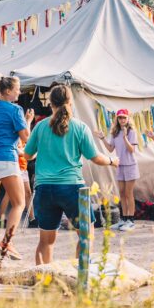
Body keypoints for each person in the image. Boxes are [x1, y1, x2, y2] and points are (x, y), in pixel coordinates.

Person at [24, 85, 119, 264]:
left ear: (50, 103)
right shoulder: (79, 127)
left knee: (46, 242)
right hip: (72, 188)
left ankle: (45, 283)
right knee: (86, 235)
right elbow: (95, 158)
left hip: (45, 189)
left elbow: (27, 155)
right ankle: (79, 278)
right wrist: (112, 161)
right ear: (70, 102)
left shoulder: (40, 127)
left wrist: (40, 150)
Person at [0, 75, 34, 260]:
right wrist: (29, 123)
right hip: (6, 158)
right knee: (19, 203)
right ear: (9, 91)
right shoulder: (15, 109)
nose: (20, 92)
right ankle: (7, 242)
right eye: (18, 89)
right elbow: (26, 137)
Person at [94, 110, 139, 232]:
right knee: (122, 193)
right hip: (119, 165)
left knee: (129, 193)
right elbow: (110, 149)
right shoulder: (115, 132)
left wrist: (125, 137)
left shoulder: (131, 132)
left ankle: (131, 220)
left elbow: (131, 150)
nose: (122, 120)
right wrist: (102, 138)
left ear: (128, 118)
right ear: (117, 119)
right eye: (120, 118)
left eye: (124, 118)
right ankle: (123, 219)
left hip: (130, 165)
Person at [0, 140, 35, 229]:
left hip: (22, 168)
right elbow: (17, 151)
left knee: (28, 193)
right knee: (9, 194)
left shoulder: (23, 137)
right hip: (16, 168)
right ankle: (0, 220)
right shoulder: (16, 136)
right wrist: (30, 152)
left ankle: (32, 220)